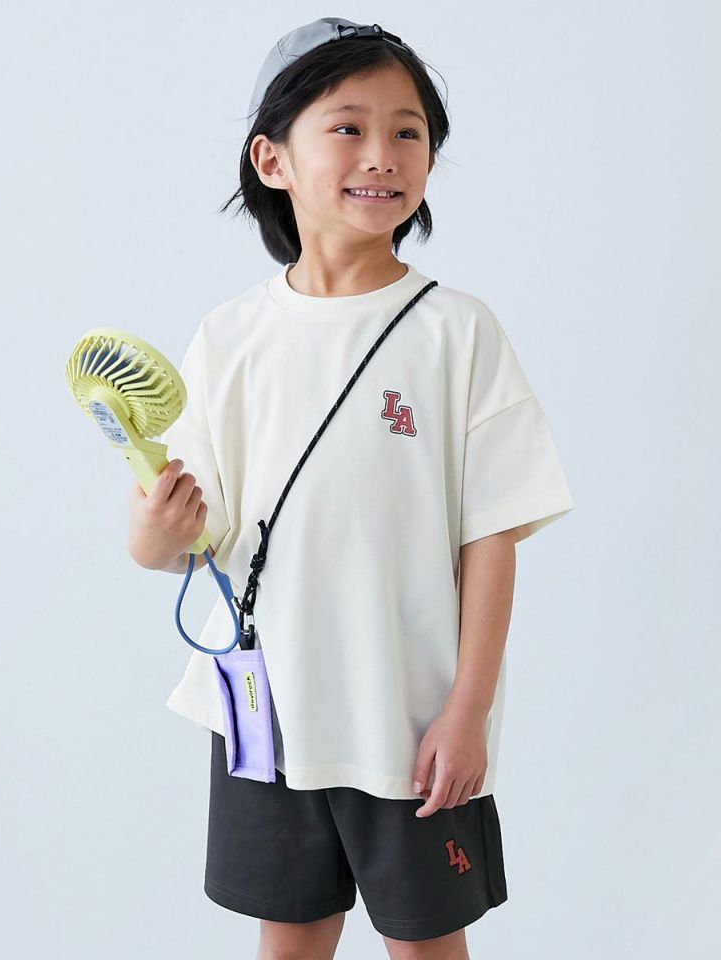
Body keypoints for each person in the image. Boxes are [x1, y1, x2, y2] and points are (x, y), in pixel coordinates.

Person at [128, 17, 574, 960]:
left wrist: (467, 711)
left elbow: (492, 536)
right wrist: (154, 535)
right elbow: (188, 541)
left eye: (408, 132)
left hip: (410, 719)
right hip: (268, 713)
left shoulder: (458, 332)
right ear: (272, 159)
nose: (383, 154)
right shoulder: (229, 337)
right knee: (289, 937)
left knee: (426, 942)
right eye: (347, 127)